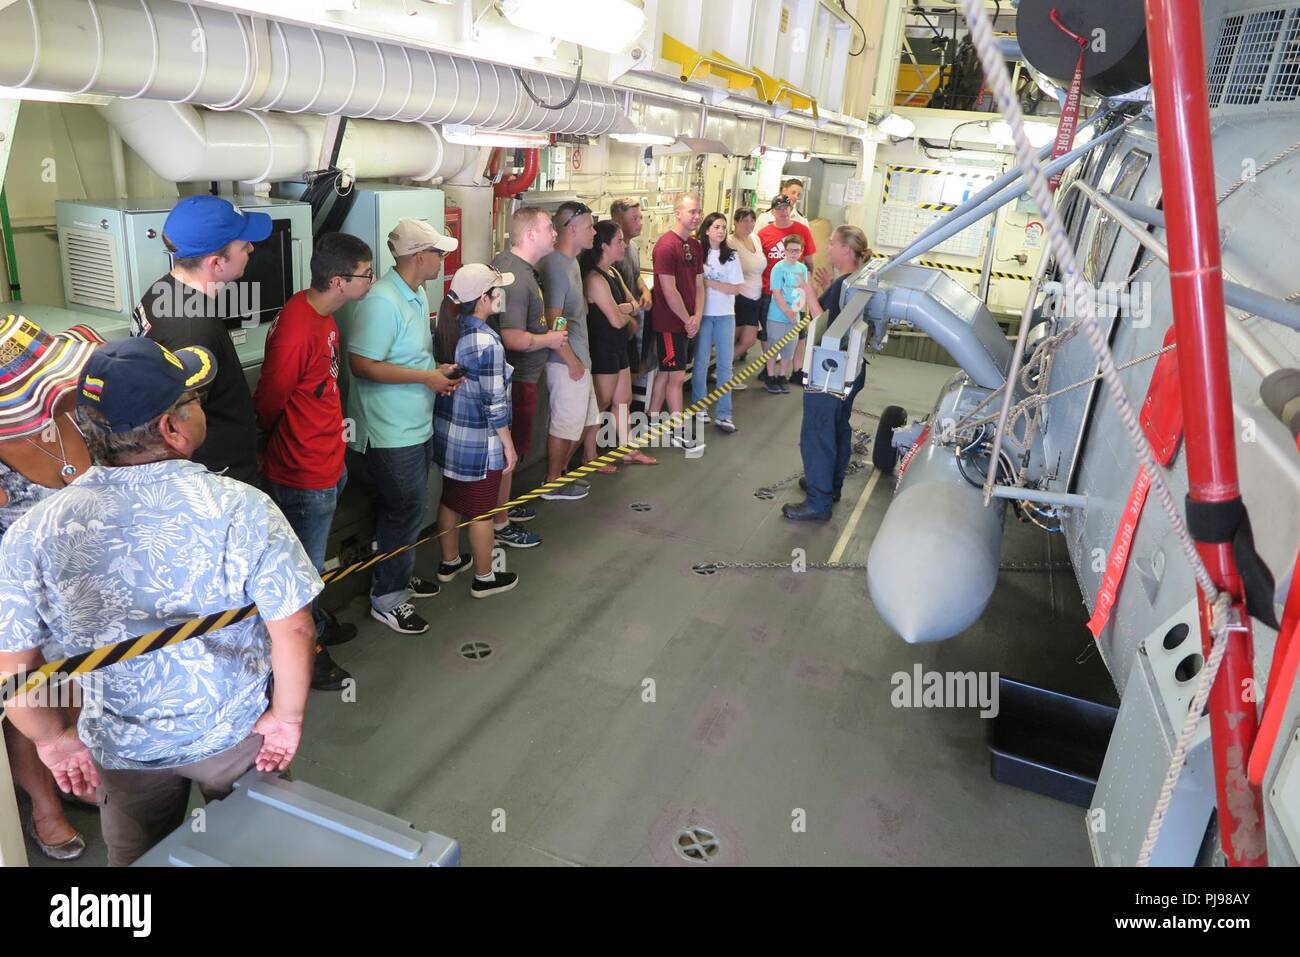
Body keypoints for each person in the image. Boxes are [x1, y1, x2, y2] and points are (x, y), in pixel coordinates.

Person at [0, 337, 320, 866]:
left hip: (122, 751)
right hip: (233, 735)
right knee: (260, 850)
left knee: (138, 860)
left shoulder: (33, 533)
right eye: (191, 399)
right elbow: (295, 629)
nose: (199, 407)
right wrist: (285, 718)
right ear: (173, 429)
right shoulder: (241, 508)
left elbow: (13, 669)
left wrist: (54, 740)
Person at [0, 316, 101, 861]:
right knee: (28, 703)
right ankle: (45, 807)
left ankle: (75, 771)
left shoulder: (79, 416)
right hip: (19, 605)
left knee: (81, 694)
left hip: (88, 596)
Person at [254, 232, 374, 690]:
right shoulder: (297, 326)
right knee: (298, 576)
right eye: (365, 274)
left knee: (308, 563)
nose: (370, 282)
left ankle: (317, 626)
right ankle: (307, 656)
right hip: (303, 471)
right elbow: (269, 401)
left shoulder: (323, 317)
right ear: (339, 280)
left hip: (328, 458)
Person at [347, 218, 463, 635]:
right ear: (419, 257)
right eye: (439, 253)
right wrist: (425, 379)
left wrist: (436, 371)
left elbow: (406, 359)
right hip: (390, 432)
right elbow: (362, 365)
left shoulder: (414, 295)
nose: (443, 260)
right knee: (405, 510)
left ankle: (397, 570)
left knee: (405, 510)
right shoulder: (382, 301)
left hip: (416, 424)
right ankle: (388, 596)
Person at [132, 194, 270, 487]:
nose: (251, 248)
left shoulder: (163, 289)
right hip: (218, 479)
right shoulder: (194, 330)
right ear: (217, 263)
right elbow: (178, 422)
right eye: (243, 245)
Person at [432, 264, 521, 598]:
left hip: (449, 438)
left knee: (451, 499)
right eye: (498, 290)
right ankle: (484, 578)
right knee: (483, 511)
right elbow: (494, 403)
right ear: (484, 298)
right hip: (478, 444)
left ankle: (450, 561)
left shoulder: (451, 327)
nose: (502, 295)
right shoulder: (487, 342)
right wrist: (509, 447)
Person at [784, 226, 877, 522]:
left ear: (847, 250)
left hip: (831, 370)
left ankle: (818, 501)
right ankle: (827, 485)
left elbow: (822, 322)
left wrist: (809, 292)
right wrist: (826, 290)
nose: (828, 249)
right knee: (838, 427)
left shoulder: (848, 284)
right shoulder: (855, 281)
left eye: (833, 244)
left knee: (818, 432)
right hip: (851, 368)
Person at [489, 207, 568, 548]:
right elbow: (513, 337)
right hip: (517, 379)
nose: (555, 233)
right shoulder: (516, 278)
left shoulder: (514, 267)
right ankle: (499, 522)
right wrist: (549, 339)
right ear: (531, 234)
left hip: (519, 377)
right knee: (509, 456)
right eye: (550, 227)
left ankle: (501, 509)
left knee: (513, 452)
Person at [581, 220, 658, 466]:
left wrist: (625, 308)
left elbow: (632, 305)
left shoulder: (613, 273)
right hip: (603, 347)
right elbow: (615, 319)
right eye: (619, 241)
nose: (624, 246)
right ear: (604, 246)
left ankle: (627, 449)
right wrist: (625, 310)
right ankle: (589, 455)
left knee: (623, 399)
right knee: (601, 403)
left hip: (618, 346)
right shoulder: (595, 278)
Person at [539, 202, 599, 501]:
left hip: (578, 357)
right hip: (565, 362)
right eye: (589, 227)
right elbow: (555, 318)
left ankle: (560, 475)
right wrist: (569, 359)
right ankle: (553, 482)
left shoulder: (572, 263)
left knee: (586, 422)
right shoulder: (556, 266)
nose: (594, 232)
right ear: (572, 229)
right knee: (565, 426)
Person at [649, 193, 706, 452]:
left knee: (666, 371)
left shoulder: (694, 246)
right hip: (670, 323)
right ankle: (678, 430)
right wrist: (687, 320)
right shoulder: (665, 246)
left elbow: (699, 284)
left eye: (698, 212)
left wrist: (697, 316)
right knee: (676, 375)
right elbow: (669, 290)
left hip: (687, 322)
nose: (696, 216)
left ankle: (651, 418)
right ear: (678, 213)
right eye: (691, 211)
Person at [693, 212, 745, 433]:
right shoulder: (697, 253)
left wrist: (708, 283)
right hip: (703, 313)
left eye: (723, 227)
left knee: (725, 365)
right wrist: (709, 284)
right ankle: (699, 407)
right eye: (716, 227)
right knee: (700, 363)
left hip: (725, 315)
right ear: (707, 230)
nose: (721, 230)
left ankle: (724, 414)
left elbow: (735, 288)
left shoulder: (731, 256)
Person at [757, 195, 817, 386]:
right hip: (770, 290)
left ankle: (796, 370)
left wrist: (805, 289)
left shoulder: (802, 230)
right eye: (779, 208)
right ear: (772, 211)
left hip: (795, 294)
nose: (783, 212)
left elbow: (809, 262)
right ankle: (769, 370)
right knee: (769, 333)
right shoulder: (764, 233)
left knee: (797, 333)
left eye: (786, 208)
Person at [609, 198, 655, 375]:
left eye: (640, 218)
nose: (640, 223)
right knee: (618, 378)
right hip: (618, 324)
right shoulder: (612, 254)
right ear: (619, 222)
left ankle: (624, 404)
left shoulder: (633, 247)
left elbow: (636, 276)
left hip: (631, 320)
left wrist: (645, 291)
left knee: (631, 375)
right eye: (634, 219)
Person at [764, 236, 810, 394]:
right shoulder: (778, 268)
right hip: (777, 315)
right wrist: (787, 311)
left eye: (797, 250)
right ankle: (770, 376)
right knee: (773, 347)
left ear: (801, 251)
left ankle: (782, 376)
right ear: (784, 250)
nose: (793, 253)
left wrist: (796, 311)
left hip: (794, 316)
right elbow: (776, 292)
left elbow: (803, 291)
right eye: (790, 250)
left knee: (789, 349)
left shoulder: (802, 269)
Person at [727, 208, 766, 392]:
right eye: (744, 220)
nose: (749, 224)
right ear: (735, 222)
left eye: (752, 220)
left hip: (755, 295)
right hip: (739, 296)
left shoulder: (756, 239)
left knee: (749, 339)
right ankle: (725, 373)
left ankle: (724, 369)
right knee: (733, 339)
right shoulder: (729, 241)